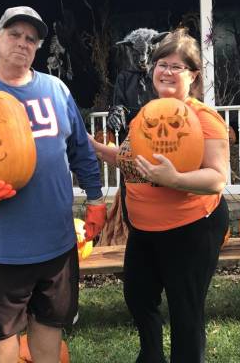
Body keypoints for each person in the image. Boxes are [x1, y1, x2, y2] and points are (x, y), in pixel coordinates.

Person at [0, 6, 107, 363]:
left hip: (55, 244)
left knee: (49, 335)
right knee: (1, 344)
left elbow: (81, 151)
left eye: (31, 38)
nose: (23, 43)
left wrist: (96, 199)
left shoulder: (56, 90)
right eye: (14, 34)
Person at [89, 28, 230, 363]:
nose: (166, 71)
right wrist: (93, 148)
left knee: (186, 311)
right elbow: (129, 161)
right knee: (138, 296)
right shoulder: (147, 114)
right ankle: (151, 356)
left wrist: (176, 179)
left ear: (193, 75)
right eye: (161, 63)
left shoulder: (203, 119)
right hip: (144, 229)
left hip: (191, 228)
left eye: (176, 66)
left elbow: (216, 178)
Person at [106, 29, 167, 230]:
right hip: (132, 140)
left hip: (160, 140)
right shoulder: (124, 77)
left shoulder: (161, 75)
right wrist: (117, 112)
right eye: (138, 53)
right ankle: (133, 228)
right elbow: (118, 103)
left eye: (147, 52)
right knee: (132, 185)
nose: (143, 59)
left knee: (159, 185)